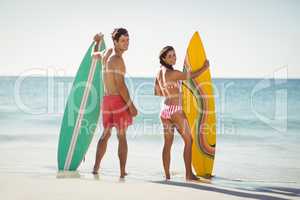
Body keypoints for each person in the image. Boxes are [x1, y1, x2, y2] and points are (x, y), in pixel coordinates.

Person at [154, 46, 209, 181]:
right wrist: (204, 67)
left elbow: (157, 92)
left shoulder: (159, 72)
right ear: (164, 58)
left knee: (167, 144)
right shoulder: (173, 73)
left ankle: (167, 176)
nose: (174, 58)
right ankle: (189, 174)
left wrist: (170, 90)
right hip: (175, 111)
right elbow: (190, 76)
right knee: (189, 141)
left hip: (164, 110)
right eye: (170, 56)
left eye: (174, 55)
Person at [92, 28, 138, 178]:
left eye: (128, 40)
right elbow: (121, 86)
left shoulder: (107, 54)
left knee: (105, 135)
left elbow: (94, 55)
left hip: (107, 101)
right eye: (123, 40)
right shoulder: (118, 60)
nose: (126, 43)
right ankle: (122, 172)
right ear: (116, 42)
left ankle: (96, 168)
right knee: (122, 136)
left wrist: (96, 43)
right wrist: (131, 106)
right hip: (118, 101)